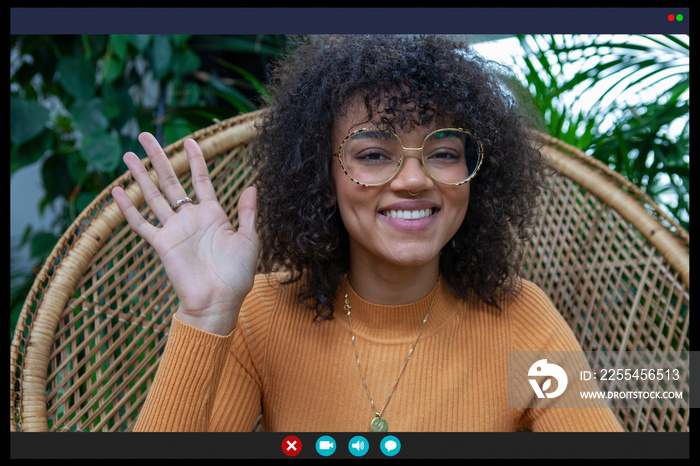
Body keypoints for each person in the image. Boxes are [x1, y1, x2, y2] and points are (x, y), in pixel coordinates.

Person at [111, 35, 623, 432]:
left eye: (444, 153)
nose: (415, 180)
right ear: (324, 178)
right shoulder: (261, 317)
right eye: (374, 155)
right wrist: (206, 313)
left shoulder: (522, 319)